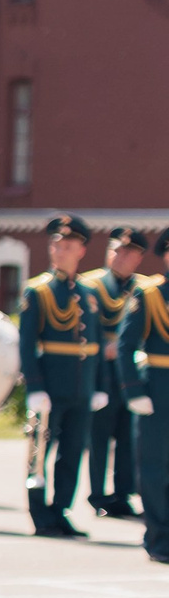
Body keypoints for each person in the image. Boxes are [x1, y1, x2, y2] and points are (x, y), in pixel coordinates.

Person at [21, 214, 99, 537]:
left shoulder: (88, 293)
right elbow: (27, 344)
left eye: (68, 245)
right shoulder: (37, 292)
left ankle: (61, 510)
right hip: (50, 387)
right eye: (57, 244)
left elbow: (95, 343)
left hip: (82, 387)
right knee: (39, 454)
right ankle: (40, 516)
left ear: (81, 251)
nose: (60, 250)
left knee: (72, 454)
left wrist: (99, 386)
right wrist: (35, 387)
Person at [83, 228, 146, 518]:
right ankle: (98, 495)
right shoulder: (90, 285)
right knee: (99, 434)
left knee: (127, 435)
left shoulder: (146, 289)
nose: (121, 257)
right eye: (117, 250)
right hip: (100, 371)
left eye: (128, 252)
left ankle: (123, 494)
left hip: (133, 371)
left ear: (139, 258)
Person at [121, 234, 169, 564]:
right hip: (158, 387)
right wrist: (134, 391)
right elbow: (126, 345)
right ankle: (158, 537)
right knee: (153, 467)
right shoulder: (149, 293)